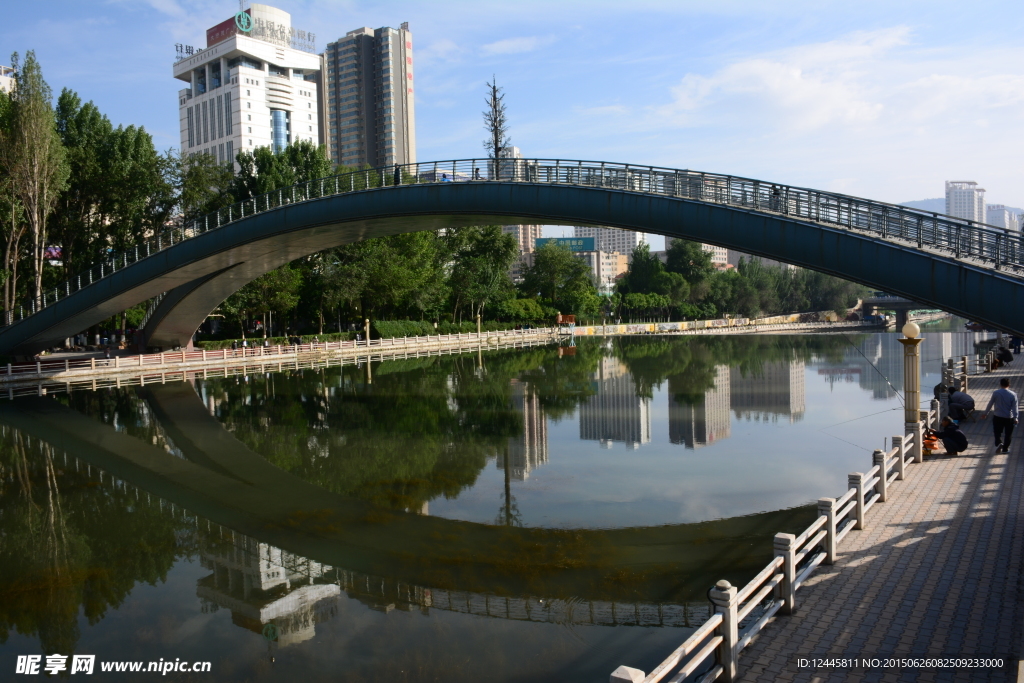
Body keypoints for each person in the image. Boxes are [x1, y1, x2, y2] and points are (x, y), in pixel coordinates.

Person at [983, 377, 1019, 453]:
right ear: (1009, 384)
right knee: (1008, 434)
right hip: (1009, 416)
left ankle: (999, 443)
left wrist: (985, 413)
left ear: (1000, 384)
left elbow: (990, 403)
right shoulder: (1013, 394)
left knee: (997, 432)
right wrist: (1016, 417)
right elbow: (1015, 407)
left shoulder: (996, 393)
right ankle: (1005, 449)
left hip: (997, 416)